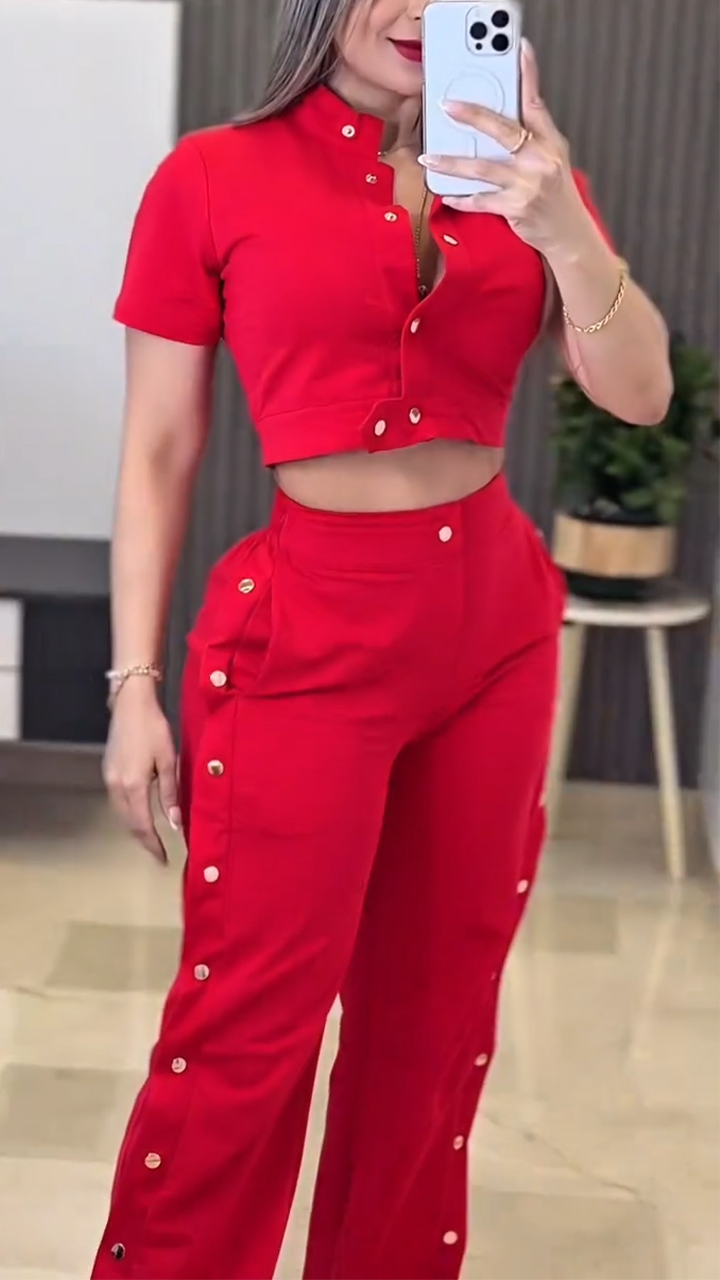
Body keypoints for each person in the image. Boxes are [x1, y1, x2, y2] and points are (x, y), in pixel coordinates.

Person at [93, 1, 672, 1276]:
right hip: (304, 633)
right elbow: (158, 447)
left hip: (495, 634)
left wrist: (562, 222)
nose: (416, 9)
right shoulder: (212, 177)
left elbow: (641, 393)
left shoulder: (529, 177)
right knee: (247, 1029)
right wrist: (134, 685)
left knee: (433, 1027)